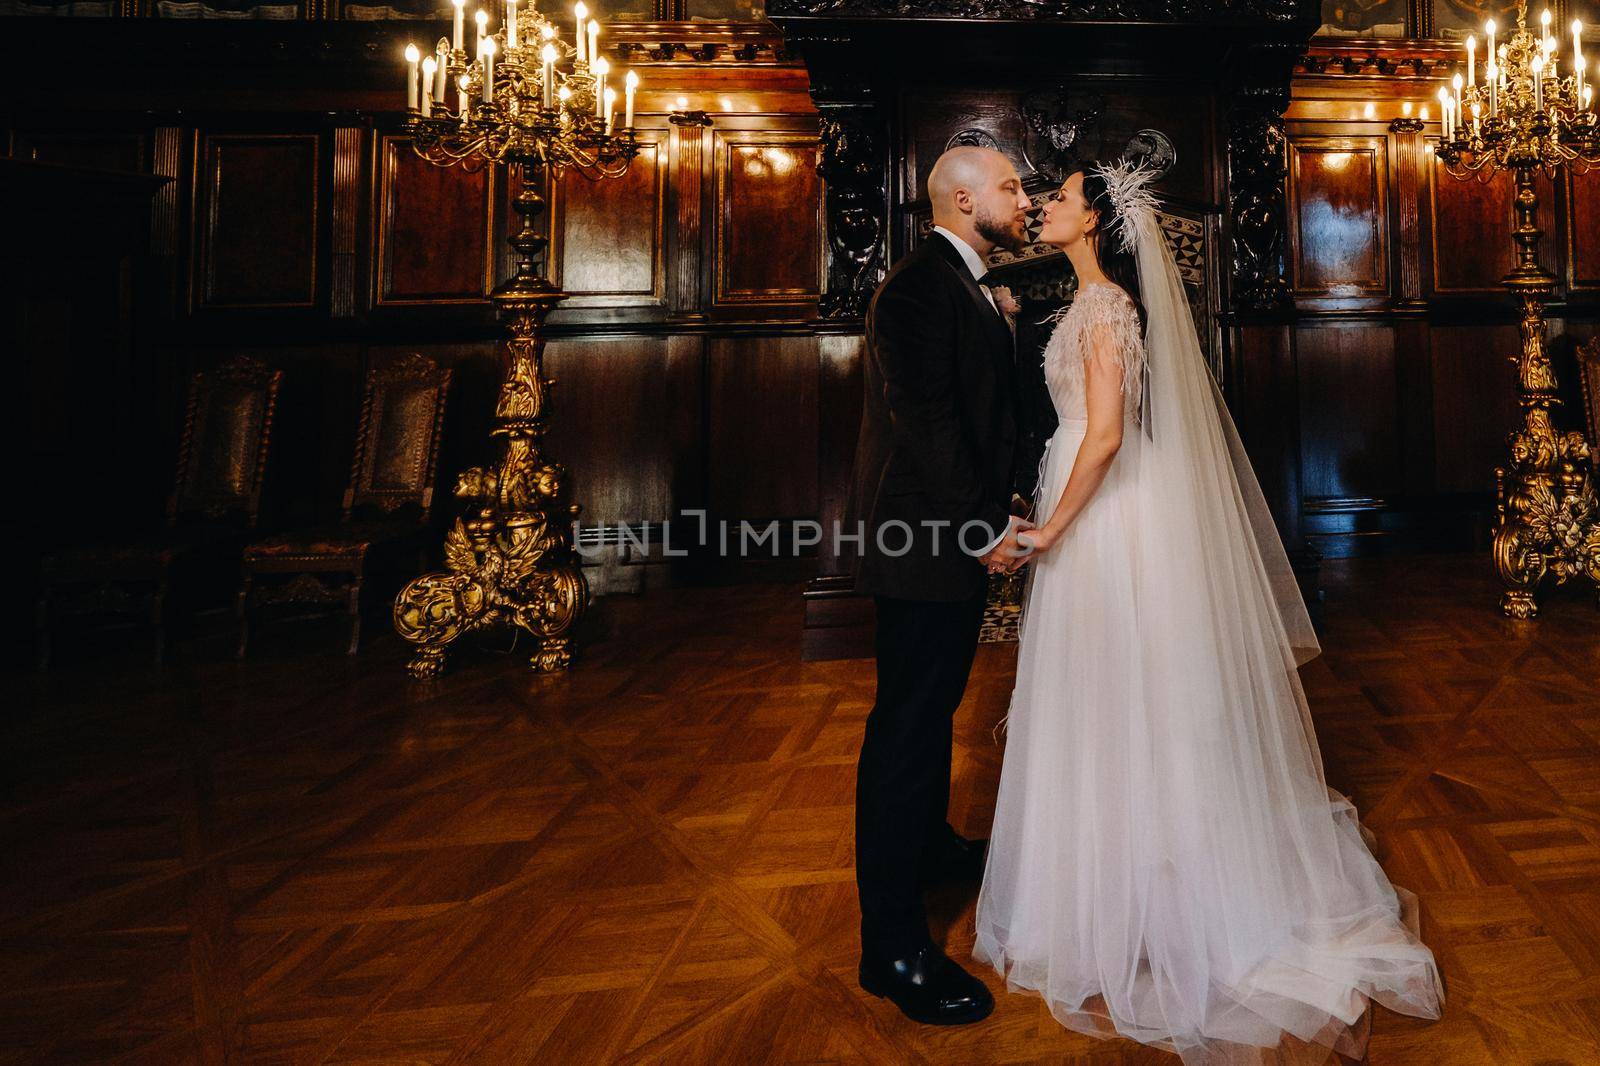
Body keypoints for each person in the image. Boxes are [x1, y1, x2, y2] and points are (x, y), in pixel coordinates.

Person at [972, 158, 1445, 1063]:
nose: (1045, 208)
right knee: (1109, 697)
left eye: (1062, 199)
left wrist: (1052, 530)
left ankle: (1169, 892)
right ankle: (1115, 884)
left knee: (1131, 695)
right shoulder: (1081, 304)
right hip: (1091, 509)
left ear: (1096, 225)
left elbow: (1105, 437)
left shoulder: (1107, 307)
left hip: (1105, 516)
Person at [846, 145, 1033, 1026]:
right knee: (907, 732)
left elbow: (972, 411)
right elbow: (923, 420)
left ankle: (927, 844)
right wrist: (982, 525)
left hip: (940, 535)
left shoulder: (962, 282)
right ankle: (890, 948)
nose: (1023, 200)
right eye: (1010, 187)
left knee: (931, 710)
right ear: (964, 198)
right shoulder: (921, 284)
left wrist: (1002, 497)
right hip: (921, 542)